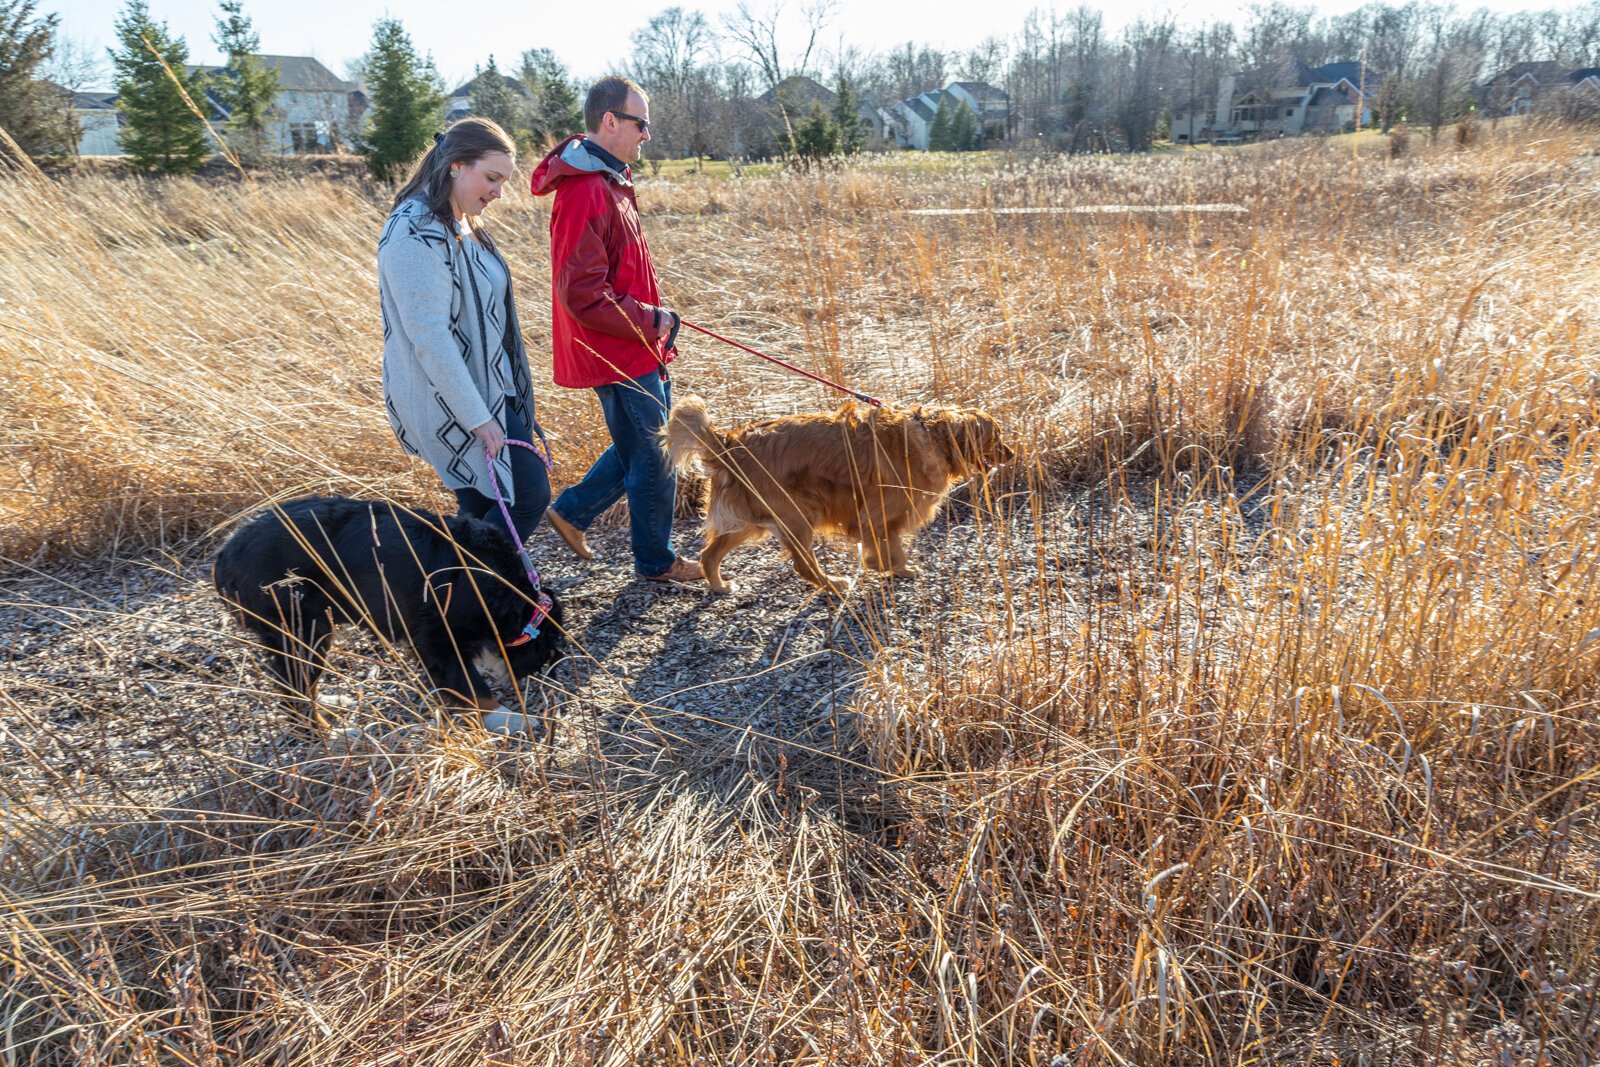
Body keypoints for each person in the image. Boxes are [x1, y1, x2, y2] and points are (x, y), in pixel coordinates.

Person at [530, 76, 704, 583]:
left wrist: (656, 321)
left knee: (639, 444)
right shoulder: (585, 188)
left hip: (631, 343)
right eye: (640, 123)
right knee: (656, 452)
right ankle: (656, 560)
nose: (646, 134)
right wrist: (655, 320)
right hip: (617, 349)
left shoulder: (610, 179)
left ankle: (572, 512)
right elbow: (583, 294)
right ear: (610, 122)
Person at [378, 117, 550, 544]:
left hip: (494, 391)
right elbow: (429, 337)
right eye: (492, 178)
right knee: (526, 496)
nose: (498, 192)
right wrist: (479, 419)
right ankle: (471, 590)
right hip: (458, 402)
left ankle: (463, 600)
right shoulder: (414, 231)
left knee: (478, 510)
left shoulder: (463, 225)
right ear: (456, 164)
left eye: (504, 181)